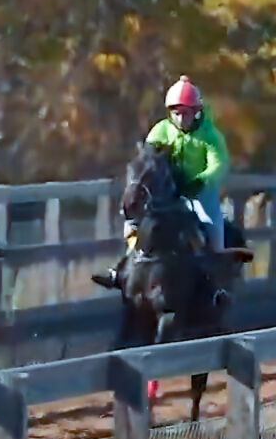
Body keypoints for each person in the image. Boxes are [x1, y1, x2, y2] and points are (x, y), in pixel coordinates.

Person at [92, 75, 231, 309]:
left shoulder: (210, 135)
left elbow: (219, 164)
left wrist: (202, 180)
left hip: (199, 191)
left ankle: (216, 287)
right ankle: (123, 271)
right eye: (176, 112)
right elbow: (147, 159)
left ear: (196, 111)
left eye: (186, 112)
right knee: (135, 226)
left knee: (212, 228)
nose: (180, 117)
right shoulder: (161, 130)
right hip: (168, 192)